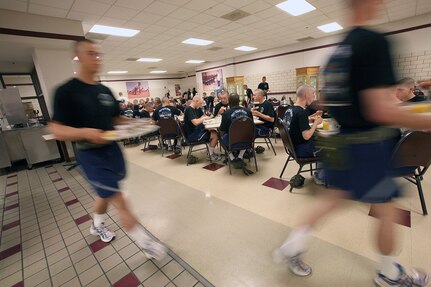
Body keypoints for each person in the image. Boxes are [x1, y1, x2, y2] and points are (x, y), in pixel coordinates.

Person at [273, 1, 430, 286]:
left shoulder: (336, 54)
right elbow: (379, 111)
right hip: (370, 146)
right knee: (386, 209)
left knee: (334, 199)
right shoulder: (374, 42)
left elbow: (332, 101)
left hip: (343, 142)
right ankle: (389, 274)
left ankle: (290, 247)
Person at [49, 39, 167, 260]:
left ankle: (96, 225)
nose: (97, 58)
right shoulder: (66, 91)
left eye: (99, 54)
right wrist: (85, 132)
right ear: (78, 57)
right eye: (91, 54)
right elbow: (56, 129)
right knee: (120, 199)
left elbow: (115, 118)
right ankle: (147, 244)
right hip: (91, 155)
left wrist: (136, 123)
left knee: (104, 193)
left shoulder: (104, 90)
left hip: (112, 151)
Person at [282, 85, 322, 158]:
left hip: (292, 149)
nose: (314, 96)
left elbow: (296, 121)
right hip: (301, 150)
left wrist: (311, 117)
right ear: (306, 95)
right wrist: (316, 123)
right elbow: (306, 136)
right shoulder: (301, 112)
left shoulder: (290, 109)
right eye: (313, 93)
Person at [219, 93, 253, 166]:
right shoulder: (248, 111)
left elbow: (222, 129)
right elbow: (251, 126)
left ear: (229, 101)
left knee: (219, 134)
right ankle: (240, 156)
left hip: (232, 142)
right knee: (245, 133)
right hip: (247, 140)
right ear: (239, 101)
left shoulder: (226, 113)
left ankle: (232, 157)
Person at [184, 95, 220, 161]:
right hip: (193, 135)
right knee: (215, 135)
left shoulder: (197, 108)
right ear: (196, 101)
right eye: (200, 103)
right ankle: (210, 155)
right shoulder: (189, 109)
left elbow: (203, 116)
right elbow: (196, 122)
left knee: (213, 131)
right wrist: (203, 118)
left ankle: (210, 151)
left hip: (198, 131)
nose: (201, 105)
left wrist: (211, 117)